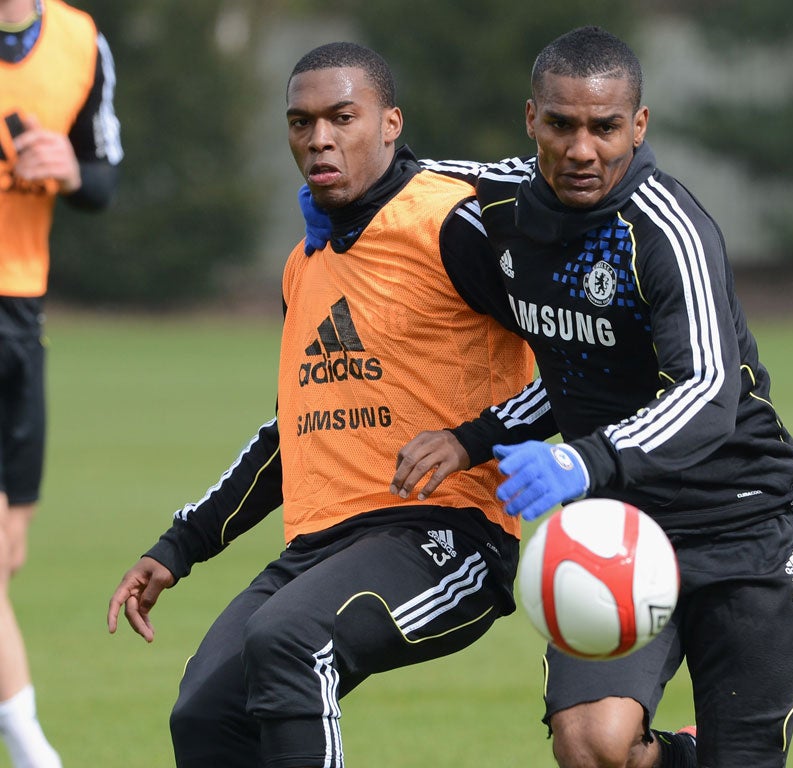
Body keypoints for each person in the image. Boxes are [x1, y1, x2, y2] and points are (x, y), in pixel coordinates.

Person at [380, 26, 793, 768]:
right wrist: (345, 202)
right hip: (617, 525)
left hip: (745, 523)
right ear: (532, 119)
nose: (582, 149)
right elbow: (412, 173)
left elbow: (709, 391)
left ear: (638, 126)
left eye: (605, 127)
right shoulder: (508, 201)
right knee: (590, 745)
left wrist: (580, 463)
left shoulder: (667, 230)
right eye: (562, 124)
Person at [106, 42, 537, 768]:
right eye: (301, 123)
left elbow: (574, 358)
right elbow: (291, 433)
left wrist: (474, 437)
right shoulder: (304, 265)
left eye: (343, 117)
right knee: (207, 714)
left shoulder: (450, 223)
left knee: (291, 641)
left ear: (391, 122)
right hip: (320, 547)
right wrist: (178, 547)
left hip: (449, 537)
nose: (319, 139)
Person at [1, 1, 122, 765]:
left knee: (6, 554)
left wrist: (74, 172)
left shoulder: (82, 42)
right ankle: (35, 748)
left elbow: (104, 177)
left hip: (20, 317)